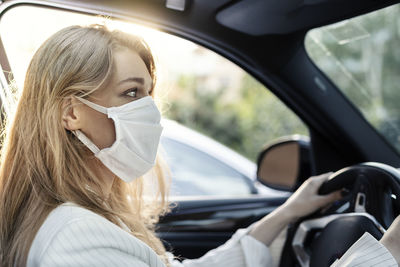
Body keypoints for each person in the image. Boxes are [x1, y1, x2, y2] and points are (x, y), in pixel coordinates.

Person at [0, 24, 397, 267]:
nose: (149, 110)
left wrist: (286, 213)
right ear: (71, 113)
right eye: (131, 92)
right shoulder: (78, 237)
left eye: (148, 93)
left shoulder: (85, 218)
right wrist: (388, 251)